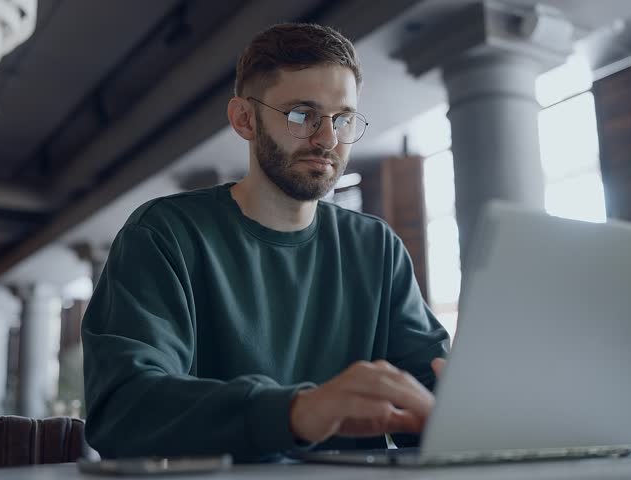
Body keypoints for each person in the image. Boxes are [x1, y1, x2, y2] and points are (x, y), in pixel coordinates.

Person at [81, 23, 449, 462]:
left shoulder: (377, 248)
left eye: (343, 118)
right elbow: (124, 410)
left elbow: (430, 397)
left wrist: (458, 411)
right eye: (302, 115)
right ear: (244, 119)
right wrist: (295, 412)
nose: (328, 139)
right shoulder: (165, 234)